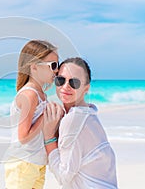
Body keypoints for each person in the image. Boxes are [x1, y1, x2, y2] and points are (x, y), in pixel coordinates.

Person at [43, 57, 118, 188]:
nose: (65, 86)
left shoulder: (74, 120)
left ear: (86, 88)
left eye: (74, 82)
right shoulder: (90, 114)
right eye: (60, 80)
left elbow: (64, 177)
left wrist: (49, 138)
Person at [4, 40, 59, 189]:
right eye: (52, 65)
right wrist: (45, 116)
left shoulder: (42, 95)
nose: (56, 70)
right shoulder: (29, 95)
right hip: (23, 163)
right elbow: (23, 136)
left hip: (37, 163)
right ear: (34, 67)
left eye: (57, 65)